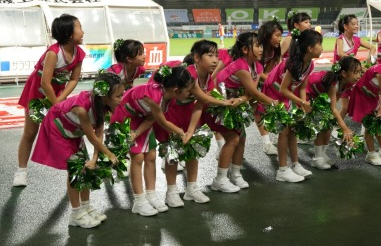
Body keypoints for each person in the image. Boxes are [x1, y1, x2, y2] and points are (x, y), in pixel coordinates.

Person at [30, 71, 124, 228]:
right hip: (57, 128)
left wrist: (94, 159)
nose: (122, 99)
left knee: (86, 168)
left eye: (122, 94)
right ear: (104, 96)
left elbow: (99, 133)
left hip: (74, 130)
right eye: (118, 96)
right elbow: (92, 138)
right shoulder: (82, 109)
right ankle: (76, 214)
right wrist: (110, 154)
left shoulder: (102, 105)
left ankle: (86, 207)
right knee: (76, 169)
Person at [158, 41, 239, 207]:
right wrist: (224, 102)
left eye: (216, 55)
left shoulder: (208, 77)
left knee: (192, 149)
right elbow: (204, 98)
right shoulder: (189, 74)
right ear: (196, 58)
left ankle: (192, 189)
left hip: (189, 113)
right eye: (210, 55)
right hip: (172, 113)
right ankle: (171, 192)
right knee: (173, 152)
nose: (215, 60)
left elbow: (200, 105)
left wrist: (191, 130)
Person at [109, 65, 193, 216]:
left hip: (141, 120)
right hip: (124, 118)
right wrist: (182, 133)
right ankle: (139, 201)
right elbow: (163, 123)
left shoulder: (167, 97)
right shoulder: (154, 98)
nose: (190, 93)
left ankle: (151, 196)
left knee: (151, 156)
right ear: (176, 90)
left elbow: (150, 119)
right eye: (188, 90)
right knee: (138, 158)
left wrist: (137, 133)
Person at [13, 14, 86, 187]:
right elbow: (45, 84)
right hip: (37, 93)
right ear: (69, 34)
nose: (83, 32)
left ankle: (76, 171)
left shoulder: (79, 53)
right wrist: (57, 105)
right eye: (79, 27)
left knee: (70, 131)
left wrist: (60, 101)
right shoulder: (53, 53)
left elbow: (74, 79)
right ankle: (21, 171)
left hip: (58, 94)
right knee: (30, 132)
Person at [215, 32, 277, 192]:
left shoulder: (258, 66)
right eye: (257, 45)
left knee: (241, 138)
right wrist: (273, 102)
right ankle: (220, 179)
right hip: (220, 103)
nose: (261, 49)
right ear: (244, 49)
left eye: (261, 45)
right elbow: (254, 93)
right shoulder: (241, 67)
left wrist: (242, 99)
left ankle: (236, 174)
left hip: (235, 104)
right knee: (234, 139)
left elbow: (250, 93)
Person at [263, 29, 323, 182]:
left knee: (293, 129)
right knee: (284, 130)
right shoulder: (292, 64)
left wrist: (303, 105)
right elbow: (282, 89)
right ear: (310, 48)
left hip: (287, 93)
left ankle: (295, 164)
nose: (322, 47)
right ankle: (282, 170)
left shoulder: (309, 64)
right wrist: (302, 102)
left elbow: (302, 87)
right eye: (320, 44)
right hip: (273, 93)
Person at [306, 56, 362, 169]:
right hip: (309, 95)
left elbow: (336, 100)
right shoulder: (332, 84)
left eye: (360, 72)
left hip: (322, 97)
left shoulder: (347, 83)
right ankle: (317, 158)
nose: (359, 76)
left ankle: (322, 154)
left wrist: (332, 116)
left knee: (329, 124)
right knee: (321, 125)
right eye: (356, 72)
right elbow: (333, 108)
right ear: (344, 73)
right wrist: (344, 128)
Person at [333, 14, 377, 123]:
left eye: (357, 24)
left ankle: (363, 123)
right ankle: (333, 125)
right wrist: (358, 64)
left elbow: (372, 48)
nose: (357, 26)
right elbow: (340, 53)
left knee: (358, 100)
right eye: (353, 24)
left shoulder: (357, 39)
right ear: (345, 26)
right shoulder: (340, 39)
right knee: (342, 106)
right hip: (341, 77)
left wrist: (369, 59)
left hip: (352, 76)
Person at [256, 19, 284, 155]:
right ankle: (223, 145)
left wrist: (272, 81)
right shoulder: (257, 47)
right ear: (267, 35)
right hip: (242, 79)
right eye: (277, 35)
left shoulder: (274, 50)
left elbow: (266, 71)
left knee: (259, 110)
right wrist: (273, 82)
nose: (280, 39)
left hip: (257, 79)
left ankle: (267, 143)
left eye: (281, 35)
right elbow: (257, 71)